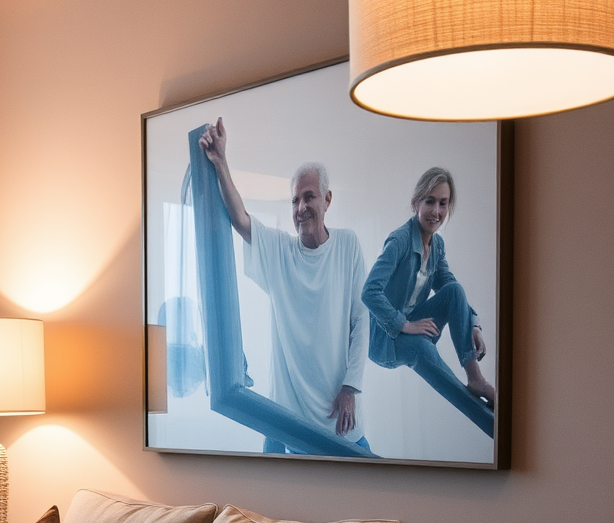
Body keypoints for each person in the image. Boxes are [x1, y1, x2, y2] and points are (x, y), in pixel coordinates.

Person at [198, 117, 369, 449]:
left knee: (371, 489)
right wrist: (220, 162)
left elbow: (362, 322)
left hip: (339, 414)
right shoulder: (280, 250)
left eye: (309, 197)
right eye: (295, 200)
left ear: (327, 200)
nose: (302, 207)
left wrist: (351, 387)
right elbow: (240, 218)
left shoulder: (348, 246)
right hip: (285, 417)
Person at [361, 167, 495, 436]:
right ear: (416, 203)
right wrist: (403, 324)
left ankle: (475, 378)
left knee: (455, 290)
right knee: (423, 350)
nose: (436, 211)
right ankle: (490, 424)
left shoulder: (437, 246)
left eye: (443, 204)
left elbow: (450, 289)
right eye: (430, 201)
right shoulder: (399, 241)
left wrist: (473, 325)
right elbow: (369, 291)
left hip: (411, 326)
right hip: (384, 339)